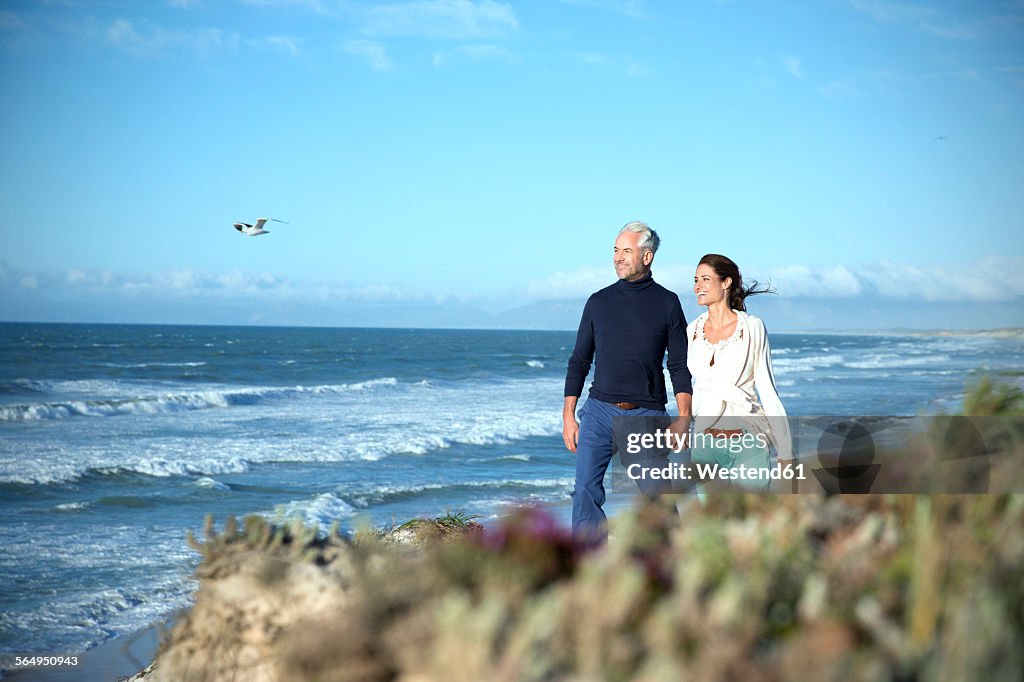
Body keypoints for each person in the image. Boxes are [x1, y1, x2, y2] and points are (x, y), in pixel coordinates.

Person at [563, 221, 693, 542]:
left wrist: (684, 416)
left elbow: (678, 365)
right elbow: (580, 360)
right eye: (616, 251)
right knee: (585, 492)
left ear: (646, 257)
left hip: (645, 416)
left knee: (658, 499)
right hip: (598, 413)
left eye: (626, 251)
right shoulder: (598, 302)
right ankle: (586, 564)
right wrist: (568, 414)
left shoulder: (668, 303)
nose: (618, 258)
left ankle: (673, 565)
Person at [686, 254, 793, 490]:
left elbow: (767, 389)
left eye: (705, 279)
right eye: (696, 280)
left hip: (748, 441)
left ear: (726, 283)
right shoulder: (692, 330)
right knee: (711, 523)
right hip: (705, 444)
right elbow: (692, 386)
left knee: (750, 522)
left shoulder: (752, 327)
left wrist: (786, 451)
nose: (697, 287)